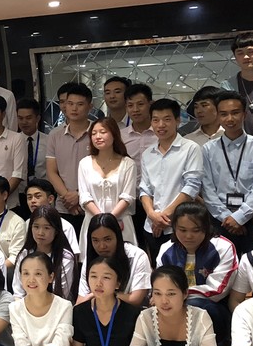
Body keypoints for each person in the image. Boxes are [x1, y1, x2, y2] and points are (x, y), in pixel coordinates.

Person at [155, 202, 238, 346]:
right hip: (172, 304)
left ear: (206, 228)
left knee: (195, 306)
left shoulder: (223, 248)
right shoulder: (166, 250)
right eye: (182, 230)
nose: (188, 236)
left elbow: (218, 290)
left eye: (196, 230)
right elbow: (160, 284)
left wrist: (179, 296)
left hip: (214, 308)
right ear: (174, 228)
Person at [201, 91, 253, 253]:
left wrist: (239, 217)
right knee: (220, 264)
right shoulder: (208, 149)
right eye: (224, 114)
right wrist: (227, 218)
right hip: (219, 221)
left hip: (252, 219)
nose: (230, 119)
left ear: (244, 114)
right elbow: (207, 189)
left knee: (252, 262)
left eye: (235, 113)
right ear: (218, 116)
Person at [139, 98, 203, 257]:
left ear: (177, 120)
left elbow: (192, 187)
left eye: (167, 119)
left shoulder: (191, 148)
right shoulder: (147, 154)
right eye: (155, 120)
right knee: (157, 268)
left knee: (184, 267)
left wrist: (164, 217)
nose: (161, 125)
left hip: (181, 226)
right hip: (152, 227)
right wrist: (152, 215)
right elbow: (145, 189)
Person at [78, 116, 139, 248]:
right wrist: (101, 221)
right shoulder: (85, 163)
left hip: (121, 222)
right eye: (94, 133)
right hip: (92, 222)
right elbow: (84, 196)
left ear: (114, 134)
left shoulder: (128, 163)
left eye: (103, 132)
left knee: (122, 257)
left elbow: (128, 197)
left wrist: (110, 220)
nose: (98, 137)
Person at [45, 82, 93, 232]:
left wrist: (79, 195)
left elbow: (104, 170)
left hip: (93, 204)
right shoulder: (54, 135)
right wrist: (67, 197)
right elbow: (52, 171)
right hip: (64, 206)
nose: (74, 108)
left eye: (80, 104)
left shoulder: (98, 132)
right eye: (70, 103)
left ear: (90, 106)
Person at [80, 214, 153, 306]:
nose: (102, 246)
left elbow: (135, 299)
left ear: (118, 237)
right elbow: (80, 300)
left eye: (107, 239)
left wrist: (97, 295)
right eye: (95, 240)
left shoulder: (137, 256)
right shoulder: (90, 259)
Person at [15, 206, 76, 300]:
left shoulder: (65, 257)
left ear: (56, 230)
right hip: (25, 305)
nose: (40, 233)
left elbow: (62, 295)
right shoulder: (24, 254)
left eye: (47, 228)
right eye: (36, 227)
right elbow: (18, 292)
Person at [24, 179, 80, 256]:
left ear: (50, 199)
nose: (33, 201)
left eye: (38, 196)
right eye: (29, 197)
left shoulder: (66, 226)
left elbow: (73, 255)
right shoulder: (26, 223)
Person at [16, 98, 48, 209]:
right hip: (19, 194)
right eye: (20, 118)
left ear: (37, 118)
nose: (24, 122)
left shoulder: (48, 141)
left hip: (42, 193)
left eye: (28, 118)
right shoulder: (13, 141)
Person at [121, 84, 157, 170]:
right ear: (126, 107)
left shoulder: (161, 134)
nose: (135, 110)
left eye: (140, 104)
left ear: (151, 104)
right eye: (130, 105)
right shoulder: (120, 136)